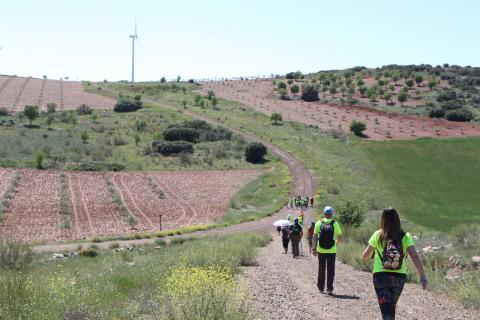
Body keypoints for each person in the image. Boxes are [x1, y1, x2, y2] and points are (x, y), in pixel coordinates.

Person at [361, 208, 427, 320]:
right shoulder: (406, 236)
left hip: (380, 276)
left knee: (386, 308)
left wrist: (363, 257)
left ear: (383, 220)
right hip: (399, 276)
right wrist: (422, 276)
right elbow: (414, 256)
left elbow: (366, 254)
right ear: (397, 220)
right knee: (391, 306)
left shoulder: (378, 235)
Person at [312, 206, 343, 295]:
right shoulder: (335, 223)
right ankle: (329, 289)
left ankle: (321, 288)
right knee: (330, 270)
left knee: (321, 269)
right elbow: (340, 237)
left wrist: (314, 249)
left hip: (320, 250)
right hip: (331, 251)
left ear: (324, 214)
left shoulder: (318, 223)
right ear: (331, 214)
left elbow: (314, 236)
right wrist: (335, 243)